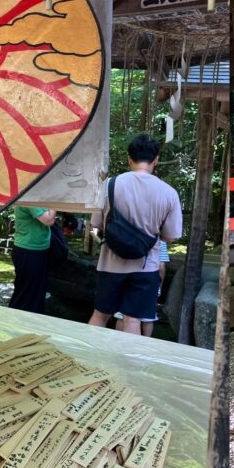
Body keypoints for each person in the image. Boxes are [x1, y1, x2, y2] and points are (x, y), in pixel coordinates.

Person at [89, 135, 182, 336]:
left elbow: (95, 224)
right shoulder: (169, 193)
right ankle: (128, 365)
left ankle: (86, 360)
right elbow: (171, 236)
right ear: (155, 160)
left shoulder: (108, 186)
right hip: (146, 266)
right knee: (133, 320)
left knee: (100, 315)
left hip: (110, 263)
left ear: (129, 159)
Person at [114, 239, 170, 337]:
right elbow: (161, 266)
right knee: (148, 317)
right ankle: (145, 343)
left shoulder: (129, 234)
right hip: (150, 280)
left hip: (128, 276)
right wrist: (159, 286)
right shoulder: (159, 240)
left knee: (122, 314)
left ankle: (118, 340)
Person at [8, 205, 56, 314]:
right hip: (29, 250)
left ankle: (30, 322)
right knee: (26, 294)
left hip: (35, 249)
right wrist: (54, 205)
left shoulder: (36, 197)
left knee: (34, 292)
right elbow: (48, 220)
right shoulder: (30, 197)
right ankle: (16, 322)